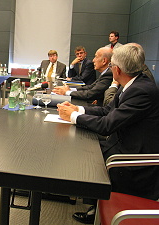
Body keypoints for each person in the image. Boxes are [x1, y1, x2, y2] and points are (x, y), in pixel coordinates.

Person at [57, 45, 159, 224]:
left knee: (84, 155)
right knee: (79, 146)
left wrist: (73, 116)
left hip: (133, 159)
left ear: (117, 69)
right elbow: (107, 110)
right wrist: (78, 109)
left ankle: (90, 203)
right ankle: (90, 203)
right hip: (121, 144)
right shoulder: (132, 82)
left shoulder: (142, 90)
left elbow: (107, 125)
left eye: (111, 65)